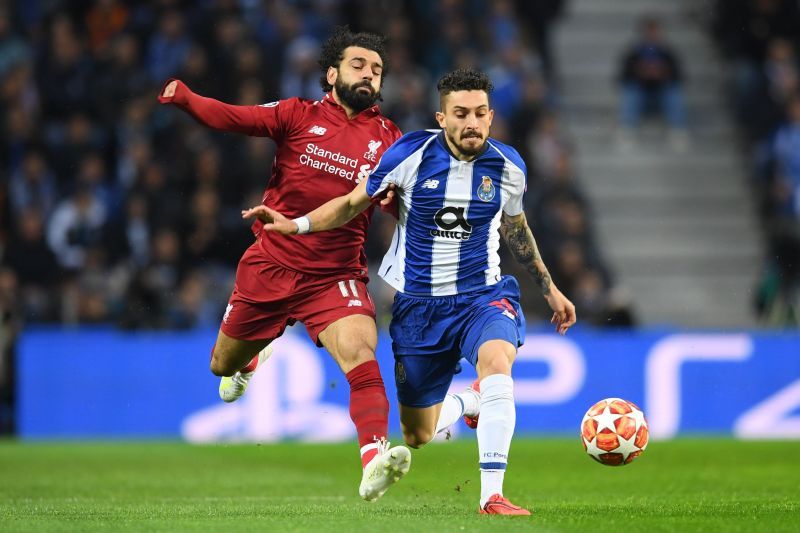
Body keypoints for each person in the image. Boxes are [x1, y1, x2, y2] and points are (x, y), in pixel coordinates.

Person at [245, 68, 577, 515]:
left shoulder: (509, 166)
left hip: (483, 296)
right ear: (442, 117)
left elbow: (517, 230)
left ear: (491, 116)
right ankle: (469, 400)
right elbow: (349, 203)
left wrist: (550, 288)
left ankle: (491, 495)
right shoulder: (410, 154)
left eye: (480, 113)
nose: (472, 123)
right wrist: (297, 223)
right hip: (419, 309)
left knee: (498, 363)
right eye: (461, 114)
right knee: (418, 435)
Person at [157, 26, 410, 502]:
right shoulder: (298, 114)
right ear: (332, 73)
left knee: (360, 353)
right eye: (359, 65)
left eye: (377, 70)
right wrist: (188, 98)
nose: (369, 75)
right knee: (221, 366)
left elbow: (395, 203)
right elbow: (234, 118)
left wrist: (402, 205)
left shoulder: (389, 139)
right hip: (271, 262)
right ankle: (251, 357)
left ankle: (374, 456)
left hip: (335, 274)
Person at [617, 16, 688, 150]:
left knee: (673, 91)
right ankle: (627, 129)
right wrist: (640, 73)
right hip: (641, 97)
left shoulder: (668, 54)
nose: (652, 36)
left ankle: (677, 130)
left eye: (655, 32)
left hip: (661, 97)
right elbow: (622, 78)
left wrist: (663, 73)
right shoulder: (633, 54)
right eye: (650, 32)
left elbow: (680, 77)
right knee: (631, 91)